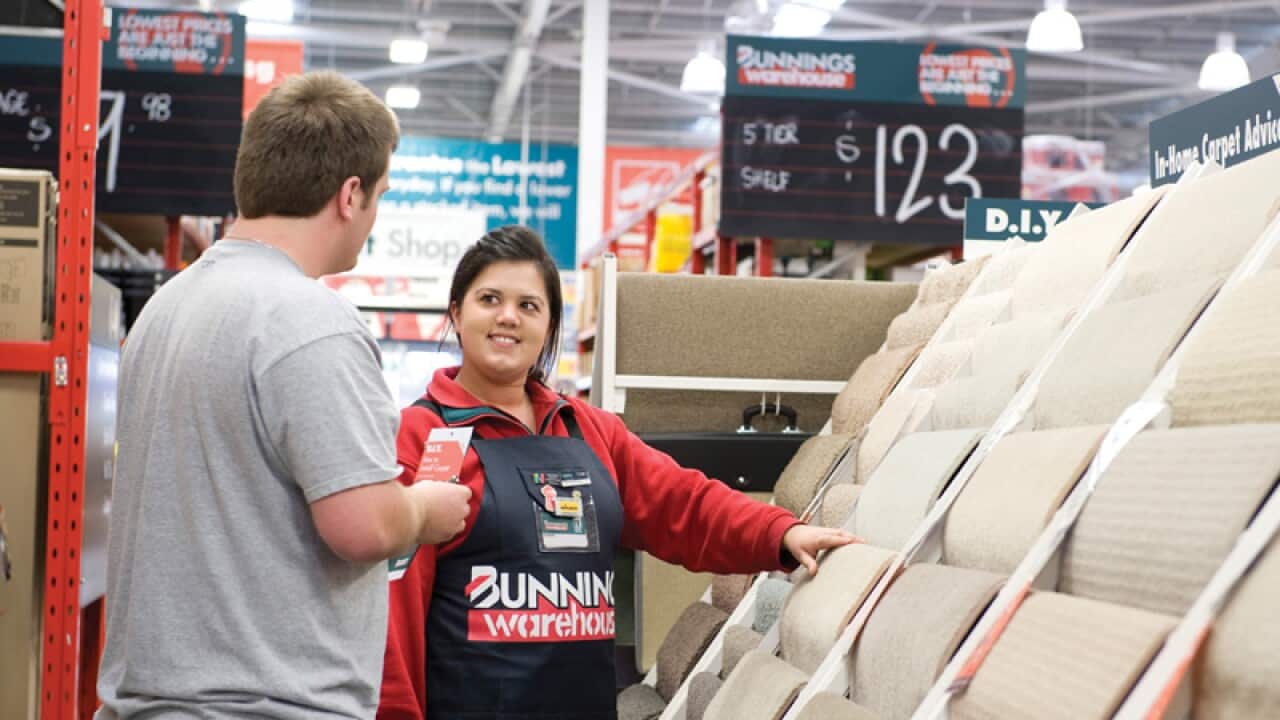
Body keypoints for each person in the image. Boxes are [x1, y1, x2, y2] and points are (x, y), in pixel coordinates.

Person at [97, 71, 471, 719]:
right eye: (379, 195)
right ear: (349, 195)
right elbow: (364, 525)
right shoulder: (312, 320)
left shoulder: (167, 307)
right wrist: (424, 510)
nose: (373, 217)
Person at [377, 226, 858, 720]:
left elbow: (683, 504)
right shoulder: (423, 435)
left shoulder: (588, 430)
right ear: (457, 312)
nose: (508, 317)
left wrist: (780, 533)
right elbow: (393, 607)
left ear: (549, 325)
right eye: (490, 299)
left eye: (529, 305)